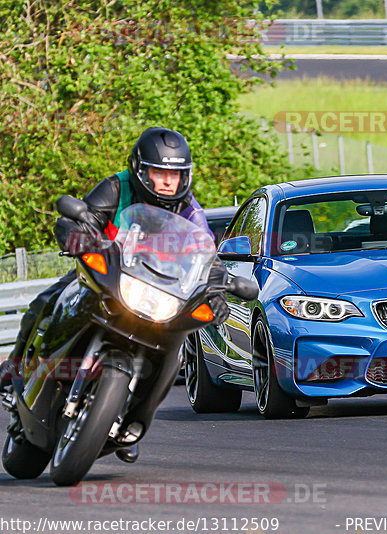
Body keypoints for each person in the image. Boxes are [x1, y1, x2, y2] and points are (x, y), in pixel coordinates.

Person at [0, 127, 230, 463]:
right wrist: (76, 235)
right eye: (159, 173)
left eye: (175, 175)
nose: (168, 182)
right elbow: (83, 217)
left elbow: (208, 255)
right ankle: (14, 368)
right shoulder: (116, 188)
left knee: (175, 346)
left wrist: (219, 287)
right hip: (108, 272)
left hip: (158, 291)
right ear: (140, 170)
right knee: (45, 301)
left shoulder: (190, 212)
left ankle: (129, 416)